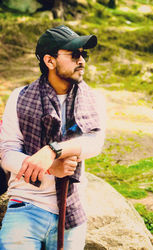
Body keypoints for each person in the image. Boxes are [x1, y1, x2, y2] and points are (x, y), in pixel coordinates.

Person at [0, 25, 105, 249]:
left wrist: (53, 151)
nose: (82, 61)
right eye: (74, 54)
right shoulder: (20, 98)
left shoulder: (92, 99)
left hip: (71, 211)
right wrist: (50, 168)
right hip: (25, 206)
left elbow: (95, 142)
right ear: (50, 61)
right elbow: (7, 153)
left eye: (83, 55)